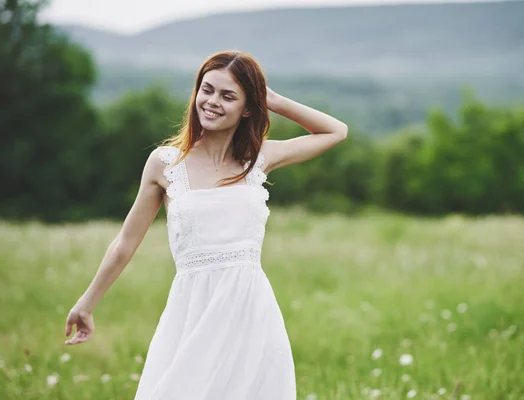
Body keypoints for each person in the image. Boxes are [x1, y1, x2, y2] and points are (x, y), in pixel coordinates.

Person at [64, 50, 348, 399]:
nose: (212, 102)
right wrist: (87, 303)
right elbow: (125, 242)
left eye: (228, 95)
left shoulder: (259, 158)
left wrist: (272, 100)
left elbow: (336, 131)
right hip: (192, 311)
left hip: (250, 312)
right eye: (207, 90)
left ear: (247, 108)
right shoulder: (165, 163)